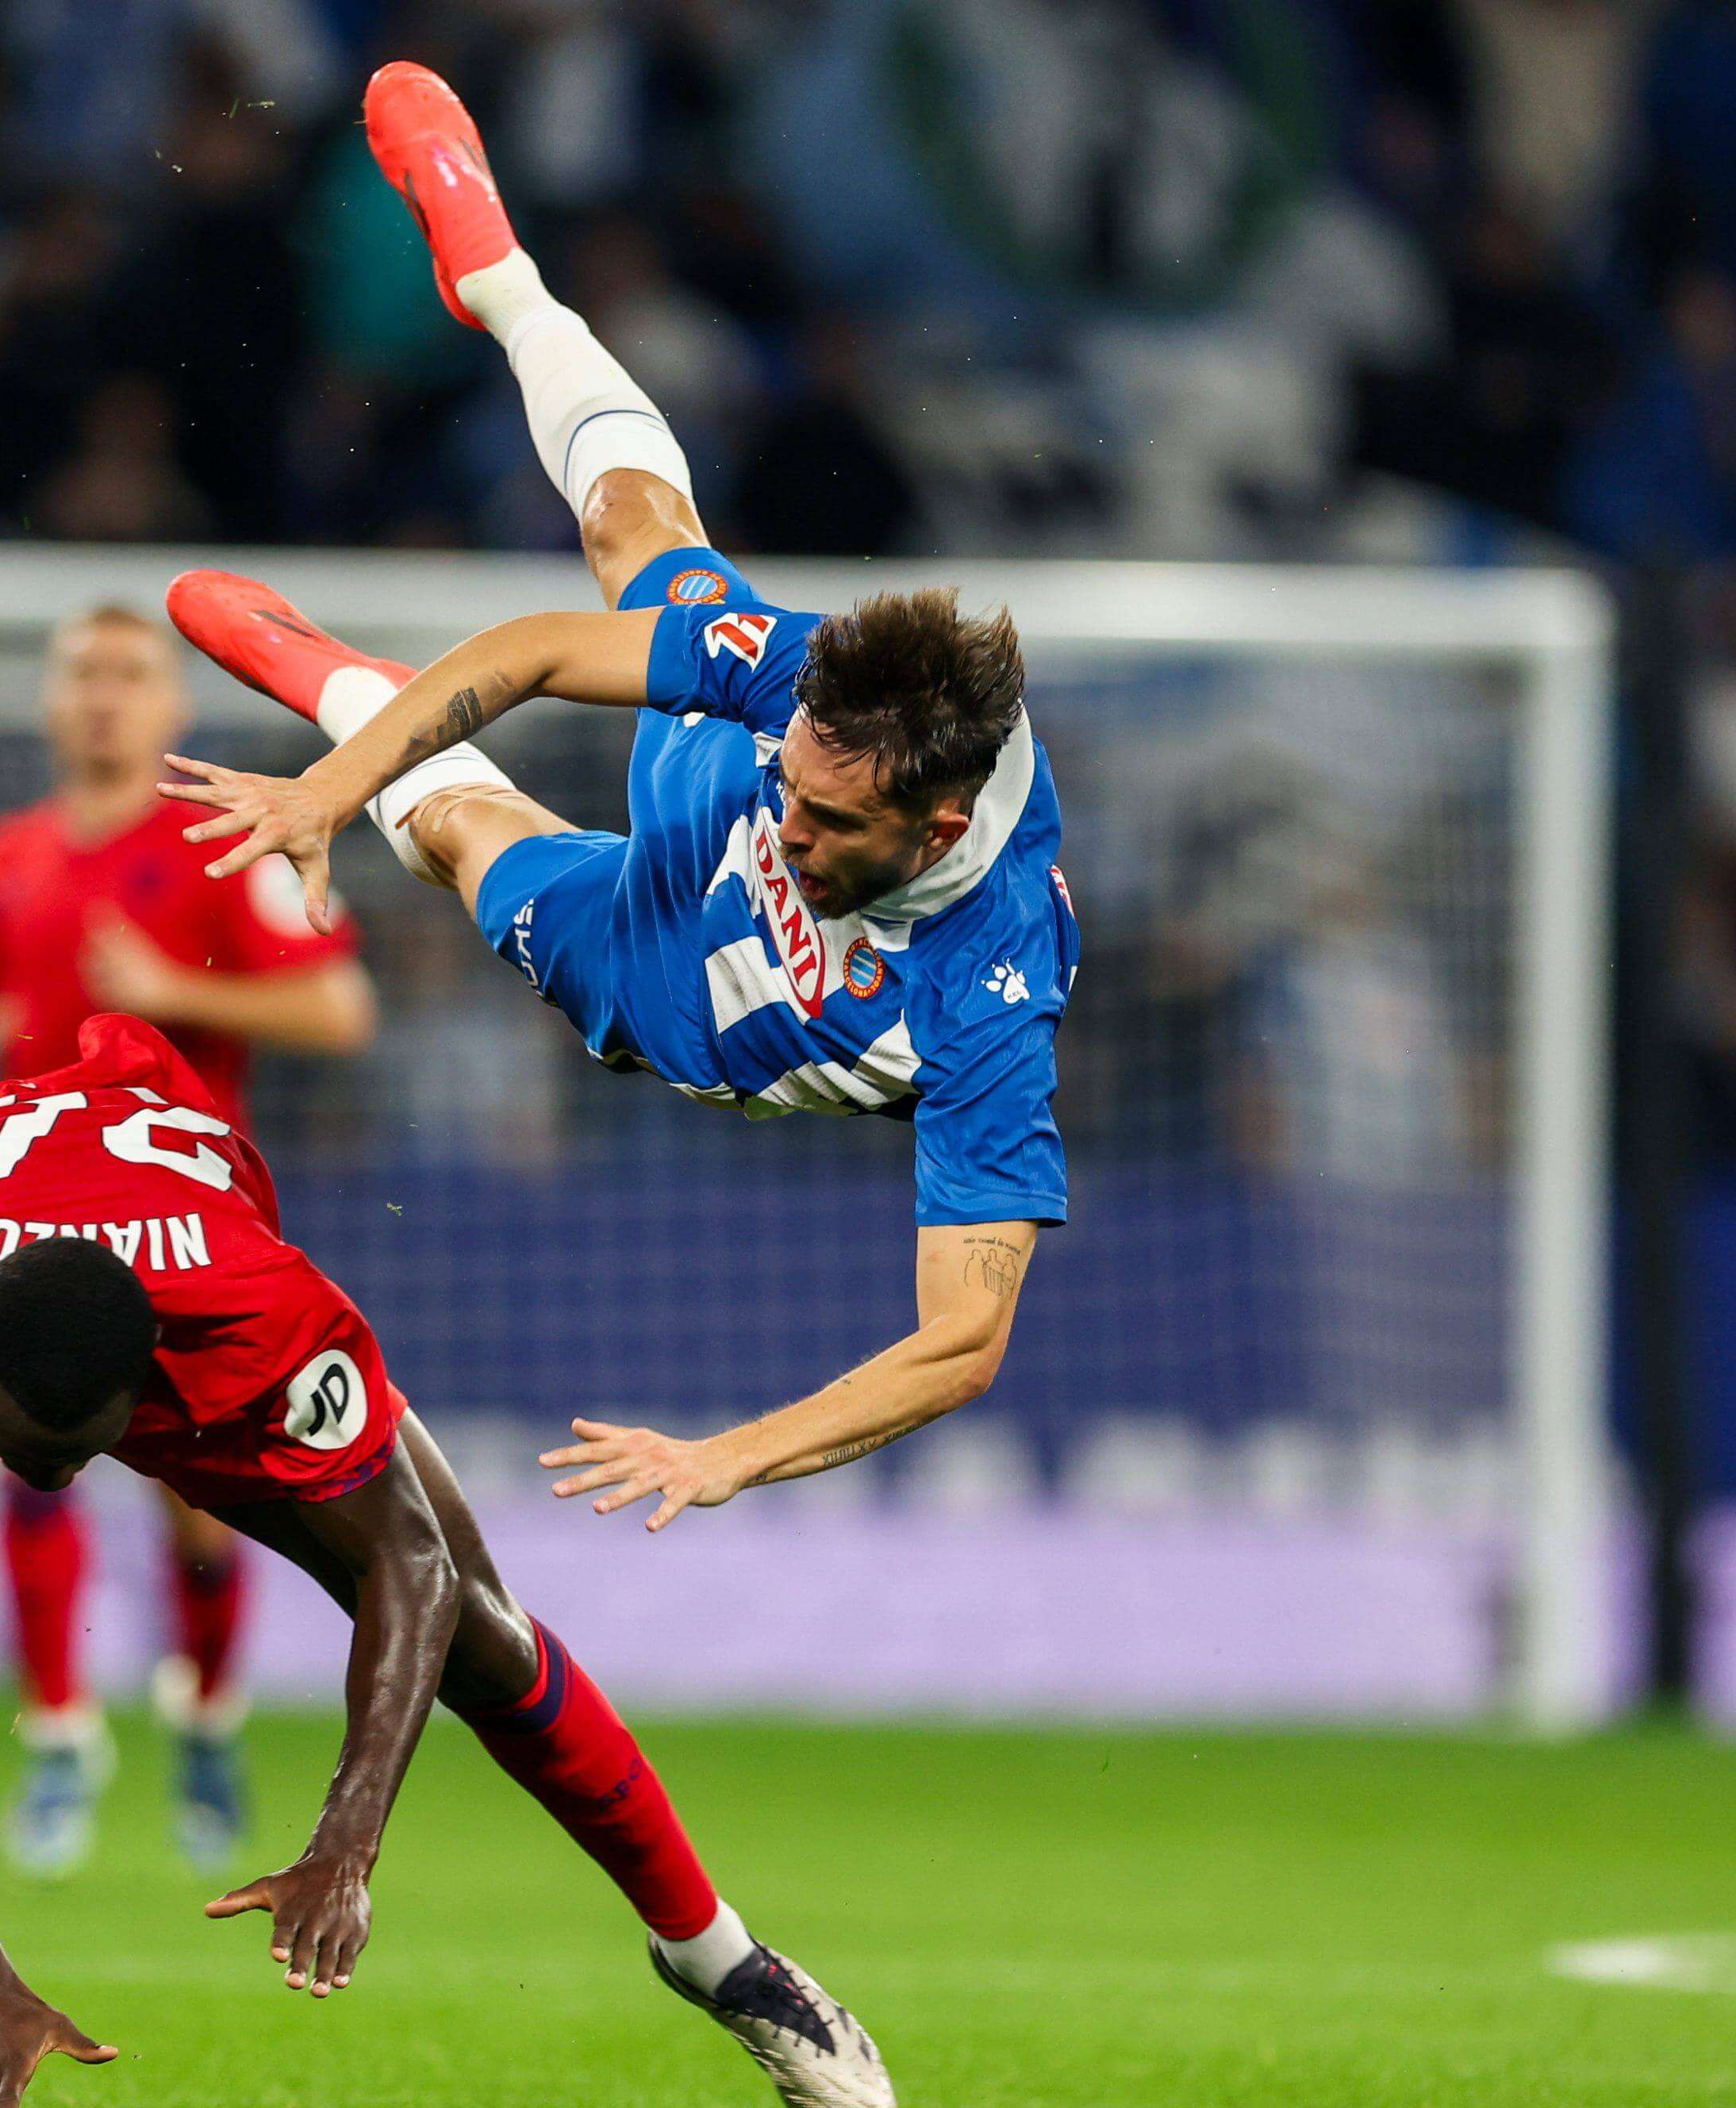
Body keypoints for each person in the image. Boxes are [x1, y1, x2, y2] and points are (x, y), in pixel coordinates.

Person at [0, 1016, 893, 2108]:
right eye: (9, 1447)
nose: (33, 1482)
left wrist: (348, 1842)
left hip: (173, 1223)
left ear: (140, 1412)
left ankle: (728, 1963)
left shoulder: (263, 1323)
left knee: (477, 1624)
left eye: (65, 1457)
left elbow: (406, 1560)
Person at [163, 63, 1070, 1529]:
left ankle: (325, 669)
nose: (800, 828)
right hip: (696, 789)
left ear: (940, 831)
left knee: (471, 840)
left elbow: (963, 1341)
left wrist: (728, 1456)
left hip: (689, 997)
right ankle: (505, 281)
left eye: (836, 826)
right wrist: (331, 788)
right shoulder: (801, 697)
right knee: (641, 529)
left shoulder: (995, 988)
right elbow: (532, 654)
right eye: (806, 787)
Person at [0, 605, 378, 1876]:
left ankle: (207, 1722)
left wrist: (178, 997)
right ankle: (61, 1739)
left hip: (183, 1217)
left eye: (130, 676)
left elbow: (342, 1006)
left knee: (196, 1494)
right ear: (54, 705)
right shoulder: (7, 854)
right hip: (27, 1209)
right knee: (20, 1454)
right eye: (84, 677)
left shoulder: (228, 841)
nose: (106, 698)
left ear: (173, 708)